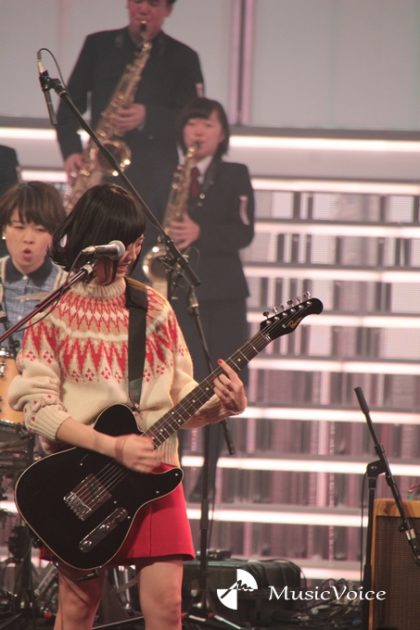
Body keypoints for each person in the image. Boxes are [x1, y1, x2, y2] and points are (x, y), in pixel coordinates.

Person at [8, 183, 247, 630]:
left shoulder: (153, 308)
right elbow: (37, 408)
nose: (130, 254)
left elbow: (179, 400)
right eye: (119, 243)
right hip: (82, 478)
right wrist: (114, 447)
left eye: (135, 243)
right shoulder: (52, 313)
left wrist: (221, 408)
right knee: (78, 610)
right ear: (88, 241)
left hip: (155, 475)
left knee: (167, 609)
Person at [142, 97, 255, 499]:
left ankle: (208, 481)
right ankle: (174, 472)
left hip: (224, 297)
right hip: (177, 296)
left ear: (222, 133)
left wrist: (200, 231)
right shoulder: (165, 174)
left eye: (208, 124)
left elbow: (244, 231)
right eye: (192, 123)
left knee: (222, 379)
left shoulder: (236, 174)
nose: (199, 131)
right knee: (180, 384)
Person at [57, 0, 204, 210]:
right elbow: (69, 106)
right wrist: (71, 151)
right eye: (137, 1)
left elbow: (193, 118)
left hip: (155, 177)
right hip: (101, 165)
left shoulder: (184, 58)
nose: (143, 9)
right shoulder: (98, 46)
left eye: (153, 3)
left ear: (168, 10)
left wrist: (148, 117)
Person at [0, 181, 67, 349]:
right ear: (4, 229)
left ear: (54, 234)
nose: (28, 238)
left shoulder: (67, 285)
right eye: (19, 227)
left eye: (40, 229)